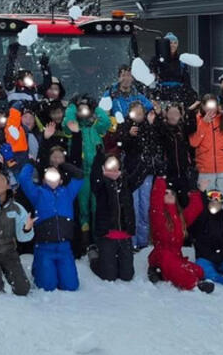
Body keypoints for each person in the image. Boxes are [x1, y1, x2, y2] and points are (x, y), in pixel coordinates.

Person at [18, 161, 84, 292]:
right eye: (49, 176)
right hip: (44, 247)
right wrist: (32, 164)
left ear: (60, 180)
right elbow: (23, 178)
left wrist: (65, 165)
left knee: (71, 286)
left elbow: (79, 176)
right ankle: (38, 268)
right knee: (47, 286)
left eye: (56, 177)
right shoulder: (37, 193)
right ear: (43, 180)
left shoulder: (67, 192)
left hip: (64, 248)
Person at [147, 178, 214, 293]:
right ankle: (194, 284)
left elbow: (195, 209)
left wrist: (197, 191)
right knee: (175, 267)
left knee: (199, 270)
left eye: (172, 193)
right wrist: (160, 179)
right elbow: (155, 200)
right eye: (165, 193)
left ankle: (159, 272)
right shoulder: (158, 214)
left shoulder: (180, 218)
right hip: (161, 254)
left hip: (176, 255)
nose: (169, 195)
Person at [64, 96, 112, 252]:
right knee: (83, 207)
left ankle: (97, 237)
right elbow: (67, 123)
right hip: (82, 173)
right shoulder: (74, 128)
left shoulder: (95, 127)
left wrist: (96, 107)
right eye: (80, 109)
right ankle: (85, 239)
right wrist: (72, 106)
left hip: (97, 172)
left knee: (96, 206)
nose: (83, 111)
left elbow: (106, 122)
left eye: (86, 109)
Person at [120, 103, 165, 251]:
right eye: (135, 113)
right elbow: (122, 145)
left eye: (140, 113)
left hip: (146, 172)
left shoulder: (148, 126)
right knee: (132, 207)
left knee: (145, 207)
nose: (138, 116)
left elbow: (154, 145)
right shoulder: (125, 125)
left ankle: (143, 241)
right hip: (131, 172)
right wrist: (129, 136)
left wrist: (151, 125)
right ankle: (132, 241)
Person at [89, 152, 135, 282]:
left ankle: (116, 259)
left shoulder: (125, 182)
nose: (113, 166)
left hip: (124, 235)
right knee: (109, 276)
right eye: (109, 163)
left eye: (115, 163)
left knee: (127, 276)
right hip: (107, 235)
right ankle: (94, 256)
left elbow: (139, 176)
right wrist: (98, 159)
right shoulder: (100, 183)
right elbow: (94, 178)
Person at [157, 102, 196, 197]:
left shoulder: (183, 128)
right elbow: (158, 130)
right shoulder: (163, 128)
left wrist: (190, 111)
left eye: (176, 114)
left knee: (185, 200)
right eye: (171, 114)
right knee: (169, 202)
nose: (173, 117)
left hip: (184, 172)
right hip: (169, 172)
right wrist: (159, 116)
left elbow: (193, 126)